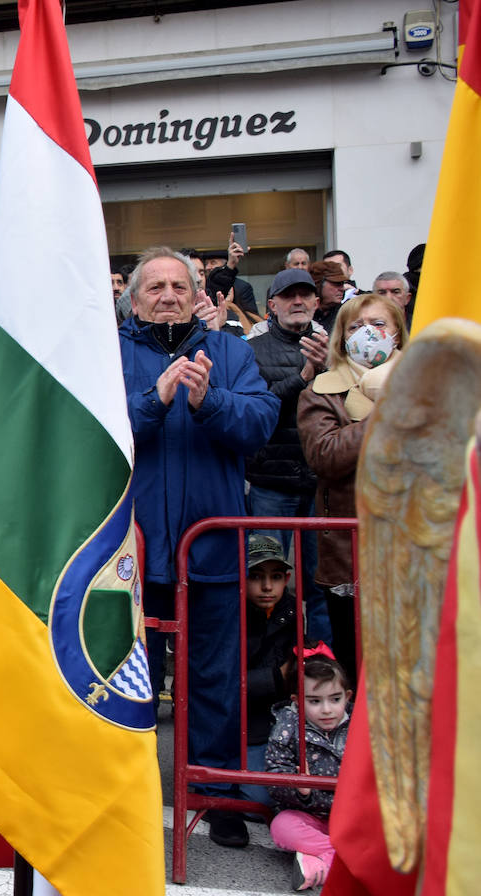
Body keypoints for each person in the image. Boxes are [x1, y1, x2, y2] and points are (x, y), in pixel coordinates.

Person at [119, 247, 278, 848]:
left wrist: (207, 400)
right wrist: (154, 400)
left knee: (214, 675)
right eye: (154, 286)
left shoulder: (233, 351)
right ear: (135, 300)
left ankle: (215, 792)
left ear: (197, 294)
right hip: (130, 554)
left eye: (178, 285)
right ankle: (125, 788)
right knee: (129, 676)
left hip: (210, 550)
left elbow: (260, 423)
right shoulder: (113, 353)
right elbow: (94, 435)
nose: (167, 294)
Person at [297, 292, 408, 686]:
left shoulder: (422, 388)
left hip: (415, 549)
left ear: (397, 333)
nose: (368, 334)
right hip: (351, 558)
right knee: (361, 668)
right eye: (357, 327)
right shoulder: (321, 392)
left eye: (378, 325)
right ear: (342, 338)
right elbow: (325, 455)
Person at [246, 269, 332, 644]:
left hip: (320, 486)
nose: (297, 302)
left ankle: (324, 680)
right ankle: (269, 674)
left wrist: (332, 368)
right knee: (264, 586)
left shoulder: (337, 348)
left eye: (305, 295)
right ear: (272, 305)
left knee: (322, 587)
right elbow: (257, 407)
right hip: (271, 486)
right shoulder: (253, 350)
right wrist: (305, 374)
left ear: (316, 303)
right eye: (288, 296)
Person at [266, 653, 352, 891]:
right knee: (281, 826)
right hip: (307, 814)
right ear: (297, 701)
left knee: (382, 830)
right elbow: (274, 775)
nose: (326, 710)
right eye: (314, 701)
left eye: (335, 699)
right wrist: (299, 791)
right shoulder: (287, 726)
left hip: (349, 815)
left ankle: (320, 864)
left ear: (347, 697)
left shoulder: (358, 723)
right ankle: (343, 857)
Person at [242, 535, 300, 807]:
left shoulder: (291, 610)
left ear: (286, 580)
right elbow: (223, 684)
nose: (267, 586)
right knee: (261, 800)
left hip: (278, 721)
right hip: (244, 724)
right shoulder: (230, 611)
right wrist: (279, 676)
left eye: (275, 577)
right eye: (255, 576)